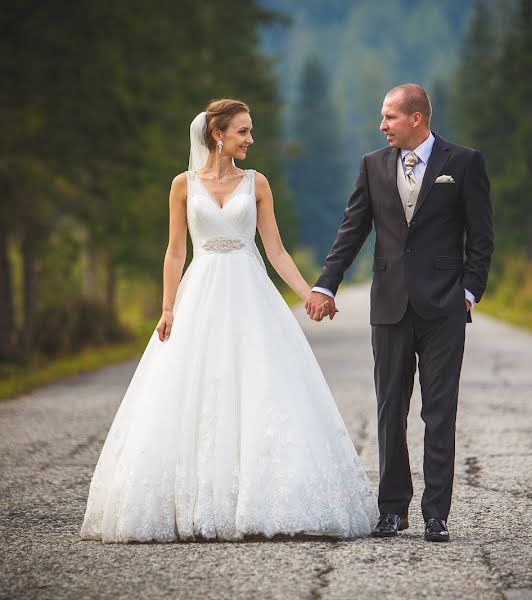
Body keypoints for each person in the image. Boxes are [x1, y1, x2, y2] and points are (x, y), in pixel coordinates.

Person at [79, 99, 378, 543]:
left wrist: (311, 293)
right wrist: (167, 308)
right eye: (243, 131)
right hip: (200, 292)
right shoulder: (183, 185)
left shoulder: (257, 185)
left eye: (251, 131)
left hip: (249, 294)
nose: (250, 139)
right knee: (194, 390)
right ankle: (193, 501)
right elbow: (175, 250)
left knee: (258, 387)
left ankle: (261, 498)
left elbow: (274, 250)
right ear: (218, 135)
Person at [305, 84, 494, 542]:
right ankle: (392, 509)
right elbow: (352, 230)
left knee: (439, 412)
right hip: (389, 306)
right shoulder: (373, 165)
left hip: (444, 308)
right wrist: (326, 282)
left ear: (416, 118)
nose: (381, 125)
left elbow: (481, 237)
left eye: (389, 117)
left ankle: (436, 514)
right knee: (391, 410)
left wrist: (468, 293)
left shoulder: (463, 163)